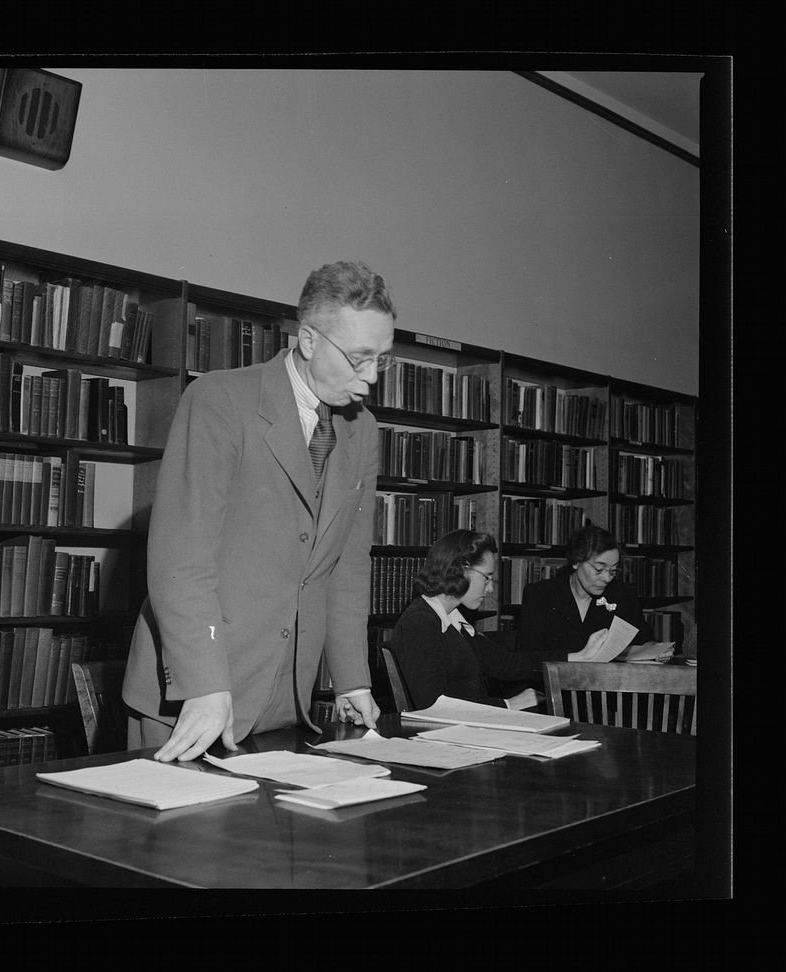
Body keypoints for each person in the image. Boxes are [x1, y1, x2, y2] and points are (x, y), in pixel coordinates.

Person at [122, 260, 396, 761]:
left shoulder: (362, 430)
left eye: (382, 359)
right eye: (359, 359)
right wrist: (204, 685)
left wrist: (352, 678)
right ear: (309, 341)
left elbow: (346, 567)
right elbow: (181, 560)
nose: (372, 377)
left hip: (287, 701)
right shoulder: (219, 400)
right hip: (196, 697)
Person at [388, 530, 613, 711]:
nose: (491, 588)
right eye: (487, 578)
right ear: (460, 570)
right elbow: (433, 705)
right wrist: (508, 705)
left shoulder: (452, 619)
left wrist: (578, 656)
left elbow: (507, 664)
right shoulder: (420, 622)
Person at [516, 522, 647, 655]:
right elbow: (528, 656)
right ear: (576, 561)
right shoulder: (540, 595)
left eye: (613, 570)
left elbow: (644, 642)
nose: (607, 578)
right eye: (599, 569)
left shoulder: (623, 595)